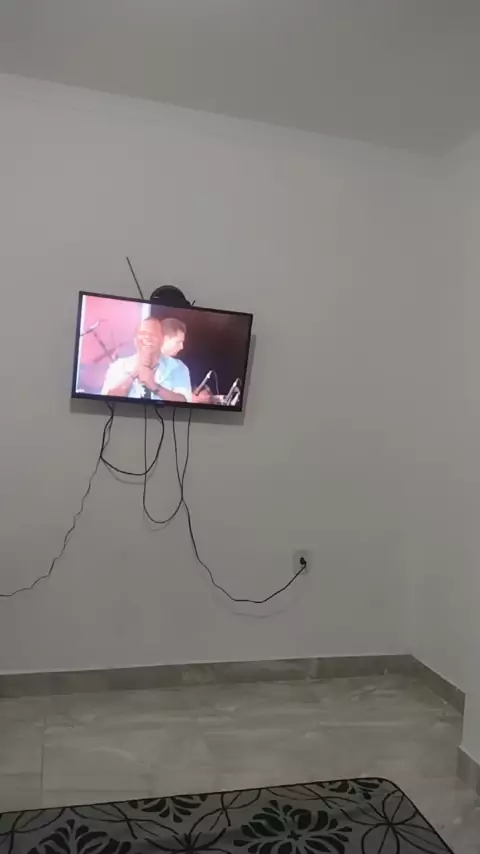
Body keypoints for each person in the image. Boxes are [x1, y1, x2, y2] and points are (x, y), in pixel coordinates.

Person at [101, 317, 191, 402]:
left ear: (162, 340)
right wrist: (134, 374)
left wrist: (154, 386)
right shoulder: (119, 366)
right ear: (135, 340)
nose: (147, 338)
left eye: (153, 334)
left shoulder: (177, 367)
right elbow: (107, 401)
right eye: (143, 333)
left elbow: (183, 402)